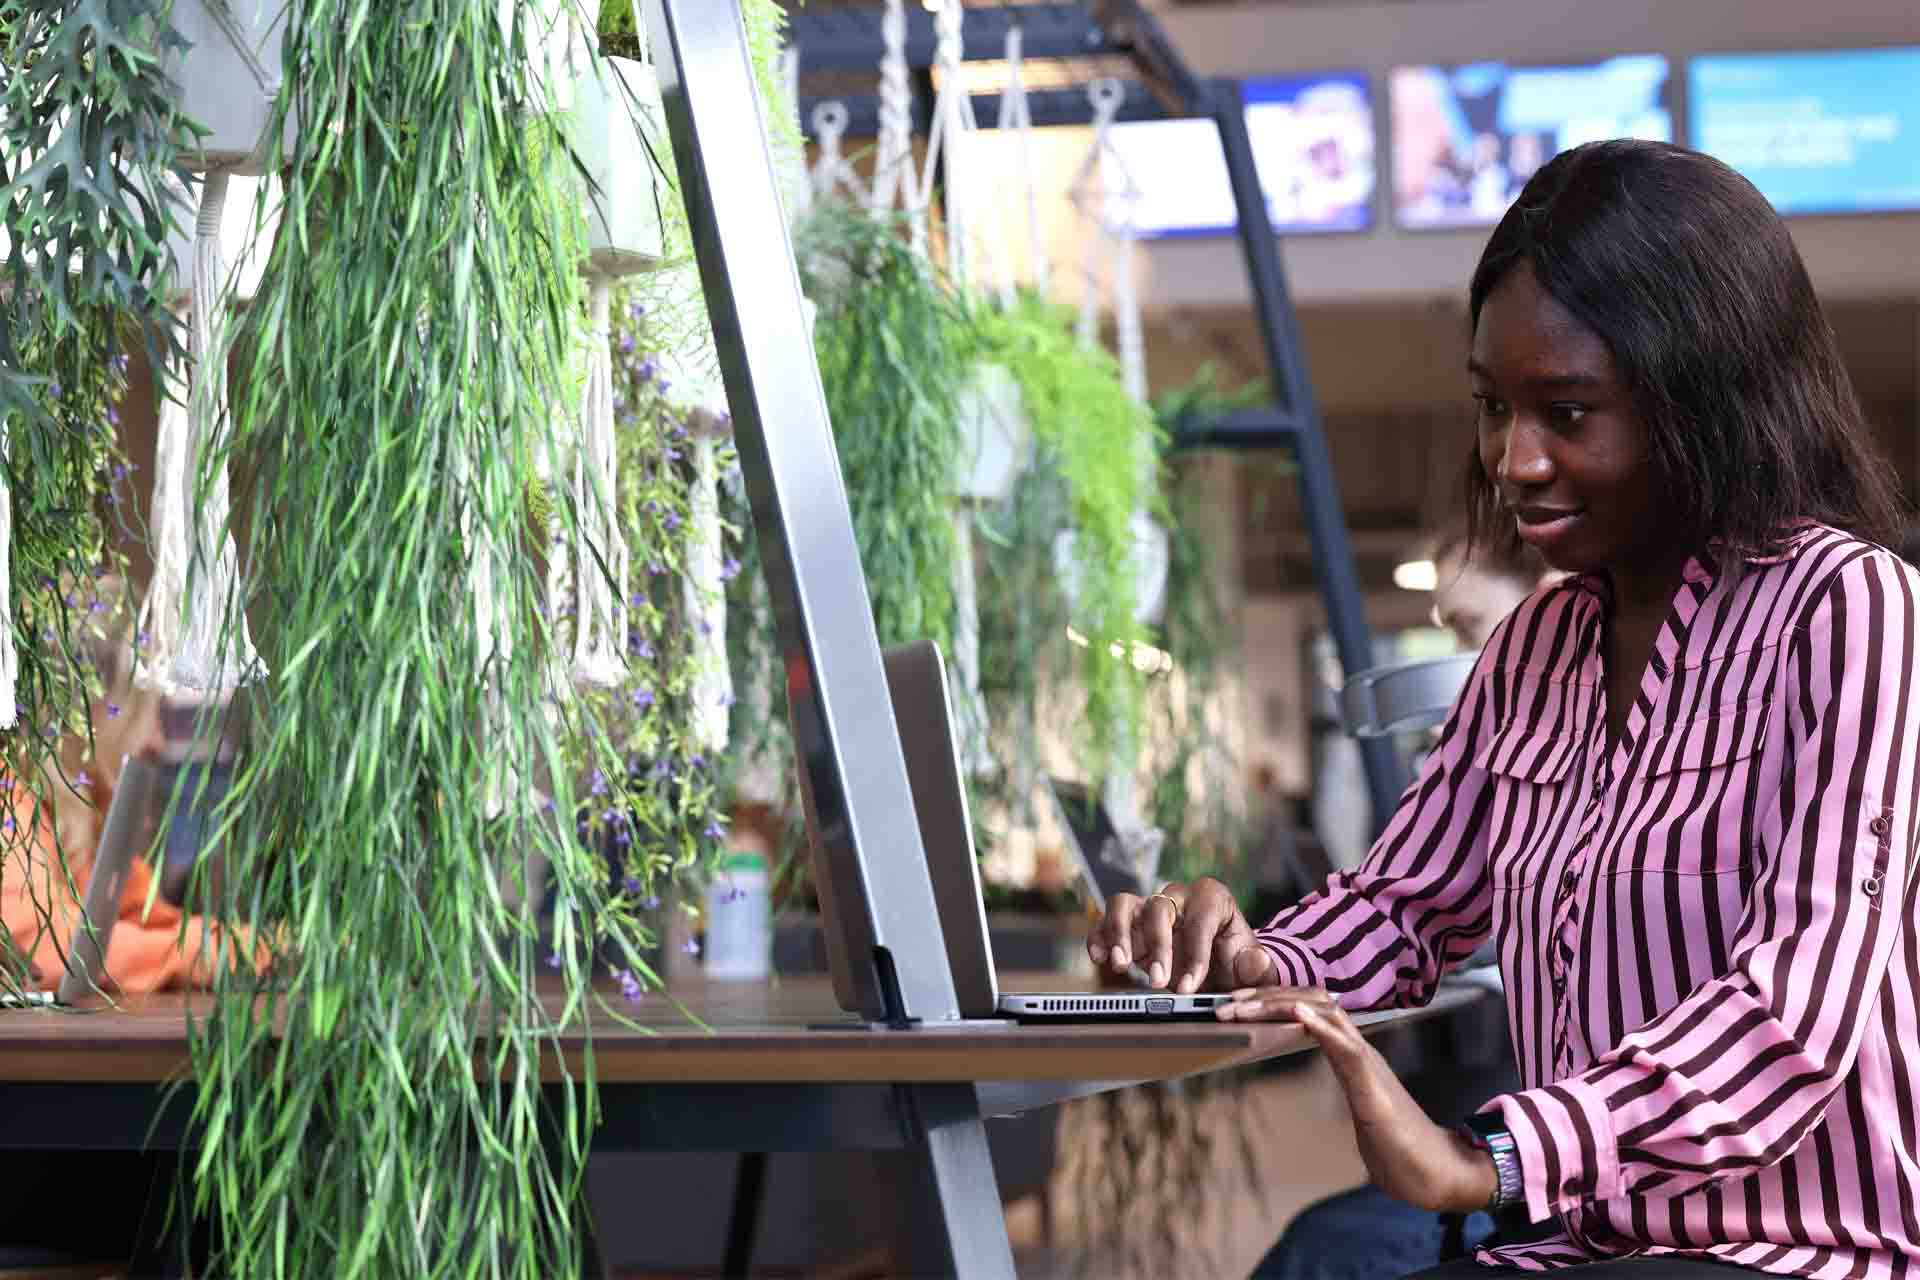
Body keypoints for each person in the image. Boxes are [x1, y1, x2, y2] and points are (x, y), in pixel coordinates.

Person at [1091, 139, 1918, 1278]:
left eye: (1567, 411)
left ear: (1706, 398)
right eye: (1493, 407)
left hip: (1800, 1251)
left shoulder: (1849, 607)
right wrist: (1240, 954)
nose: (1512, 460)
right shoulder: (1538, 645)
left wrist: (1494, 1159)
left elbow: (1798, 1012)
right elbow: (1402, 908)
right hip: (1584, 1241)